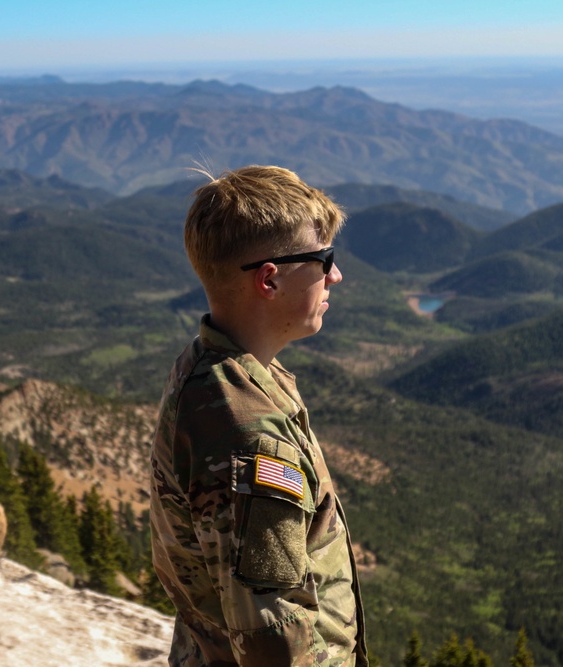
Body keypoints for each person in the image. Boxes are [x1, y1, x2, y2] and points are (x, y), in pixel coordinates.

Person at [150, 165, 368, 666]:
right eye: (324, 259)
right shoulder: (249, 435)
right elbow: (273, 636)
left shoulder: (206, 368)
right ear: (269, 279)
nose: (335, 275)